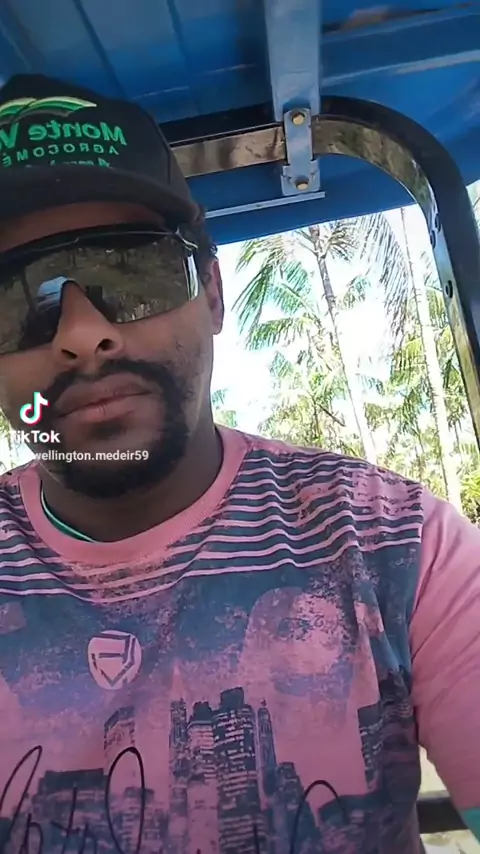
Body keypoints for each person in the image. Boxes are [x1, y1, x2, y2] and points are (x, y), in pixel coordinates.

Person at [0, 73, 478, 854]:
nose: (82, 336)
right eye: (18, 301)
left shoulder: (394, 544)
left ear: (214, 294)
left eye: (131, 271)